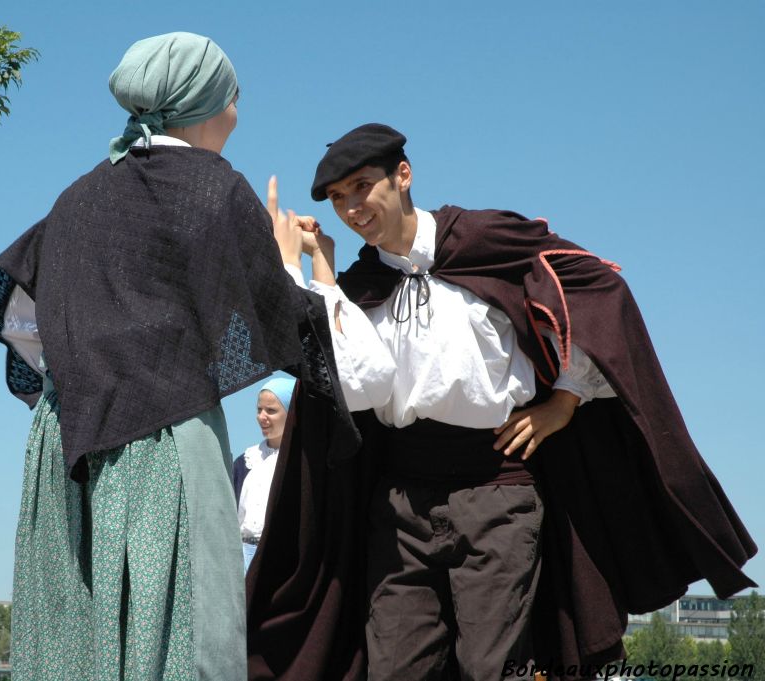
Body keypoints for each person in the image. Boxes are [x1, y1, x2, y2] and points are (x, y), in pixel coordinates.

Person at [249, 123, 756, 680]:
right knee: (395, 668)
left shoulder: (485, 241)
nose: (351, 207)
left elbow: (602, 294)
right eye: (338, 198)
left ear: (403, 175)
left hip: (497, 490)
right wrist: (314, 267)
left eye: (361, 186)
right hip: (399, 502)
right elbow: (357, 383)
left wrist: (565, 400)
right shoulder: (363, 284)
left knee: (494, 669)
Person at [0, 33, 311, 681]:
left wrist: (86, 369)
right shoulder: (210, 186)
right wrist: (289, 262)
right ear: (202, 102)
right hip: (163, 431)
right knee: (183, 642)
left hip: (64, 442)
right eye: (232, 96)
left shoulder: (74, 198)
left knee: (75, 645)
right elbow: (272, 323)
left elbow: (23, 314)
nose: (238, 112)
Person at [233, 377, 296, 572]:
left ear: (291, 412)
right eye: (259, 410)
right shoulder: (245, 461)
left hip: (282, 557)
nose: (262, 416)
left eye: (271, 410)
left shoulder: (300, 463)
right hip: (241, 557)